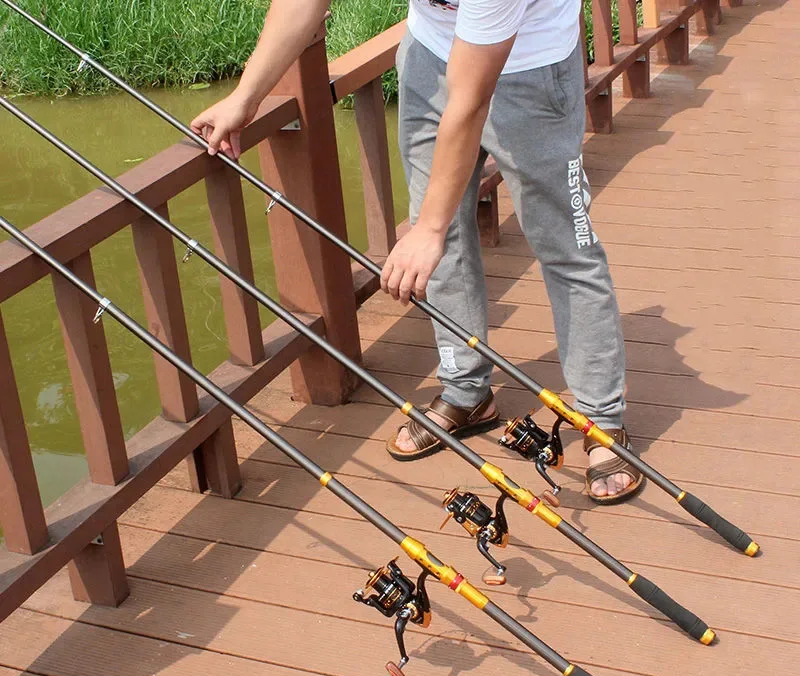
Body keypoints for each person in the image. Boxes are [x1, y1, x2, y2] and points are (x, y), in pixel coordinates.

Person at [190, 0, 644, 504]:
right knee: (440, 237)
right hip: (432, 52)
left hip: (531, 67)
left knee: (565, 246)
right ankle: (467, 392)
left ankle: (602, 418)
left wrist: (428, 229)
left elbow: (470, 102)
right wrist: (246, 96)